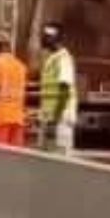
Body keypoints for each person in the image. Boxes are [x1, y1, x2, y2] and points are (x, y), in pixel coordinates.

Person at [37, 23, 76, 154]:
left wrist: (55, 119)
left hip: (60, 120)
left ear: (57, 39)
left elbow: (64, 90)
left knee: (58, 160)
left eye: (47, 36)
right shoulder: (52, 58)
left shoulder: (63, 59)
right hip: (50, 117)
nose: (43, 38)